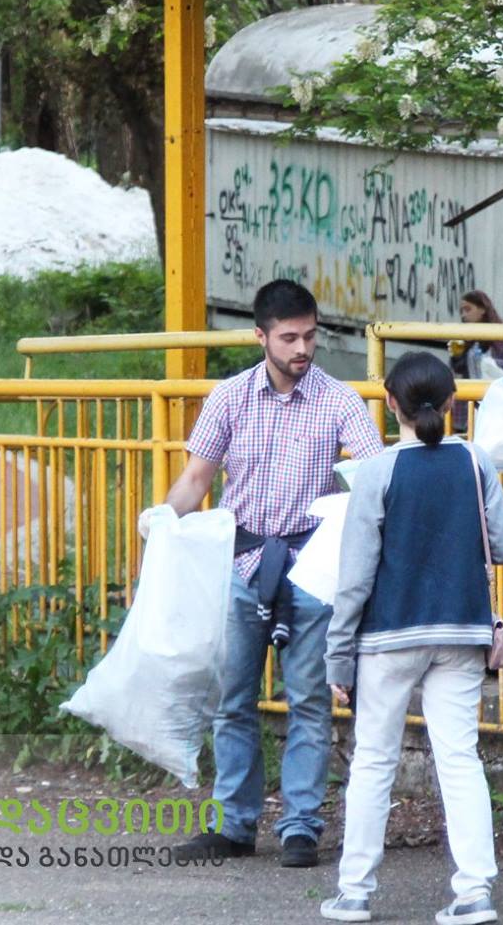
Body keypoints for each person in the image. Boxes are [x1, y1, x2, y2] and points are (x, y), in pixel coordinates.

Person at [165, 280, 386, 867]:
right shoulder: (229, 397)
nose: (302, 348)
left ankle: (300, 826)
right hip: (241, 564)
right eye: (289, 338)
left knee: (309, 699)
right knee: (232, 699)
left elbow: (375, 476)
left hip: (311, 568)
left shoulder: (339, 401)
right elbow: (197, 478)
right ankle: (233, 824)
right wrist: (161, 524)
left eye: (310, 336)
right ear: (260, 336)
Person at [320, 351, 503, 925]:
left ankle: (354, 892)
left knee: (373, 763)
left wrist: (338, 657)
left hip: (388, 636)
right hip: (461, 631)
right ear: (453, 403)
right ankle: (474, 891)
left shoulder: (377, 472)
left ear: (390, 404)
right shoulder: (475, 462)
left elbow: (355, 578)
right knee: (459, 759)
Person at [451, 290, 503, 432]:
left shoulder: (501, 337)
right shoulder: (465, 338)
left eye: (468, 309)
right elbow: (460, 371)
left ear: (483, 309)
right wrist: (457, 357)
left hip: (498, 404)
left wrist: (490, 364)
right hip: (472, 404)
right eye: (461, 311)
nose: (464, 315)